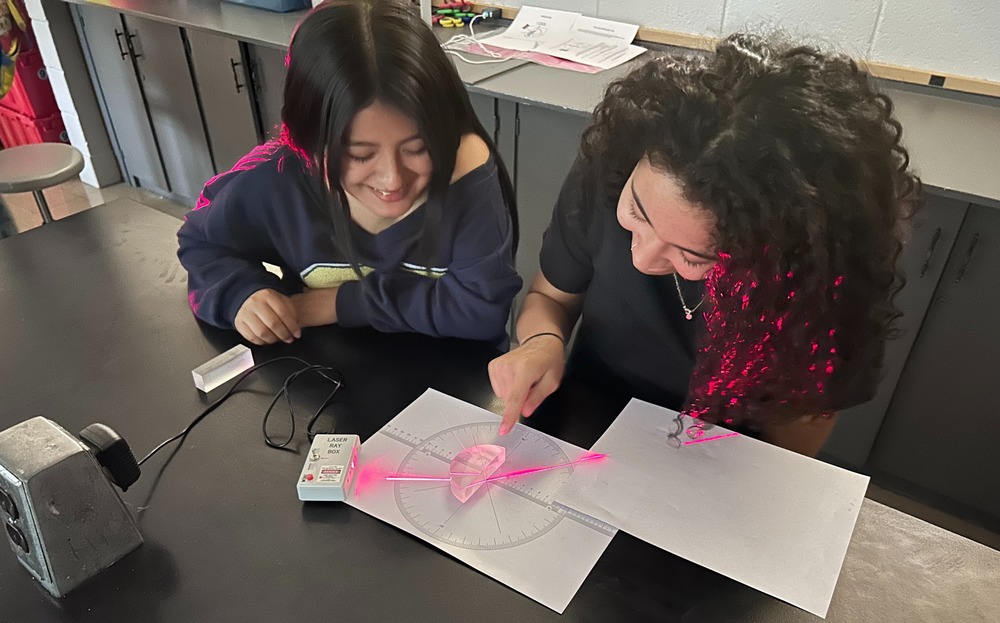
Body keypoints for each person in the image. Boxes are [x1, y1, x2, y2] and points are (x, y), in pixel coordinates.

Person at [488, 33, 921, 456]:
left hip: (720, 458)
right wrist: (541, 342)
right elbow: (550, 296)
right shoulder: (609, 171)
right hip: (587, 418)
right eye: (637, 214)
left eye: (692, 255)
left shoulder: (819, 280)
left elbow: (801, 426)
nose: (642, 258)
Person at [177, 0, 521, 347]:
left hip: (458, 382)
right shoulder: (277, 177)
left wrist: (342, 303)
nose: (392, 179)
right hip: (324, 380)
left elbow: (481, 311)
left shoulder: (466, 174)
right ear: (307, 141)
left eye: (417, 148)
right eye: (360, 154)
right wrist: (240, 294)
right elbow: (201, 242)